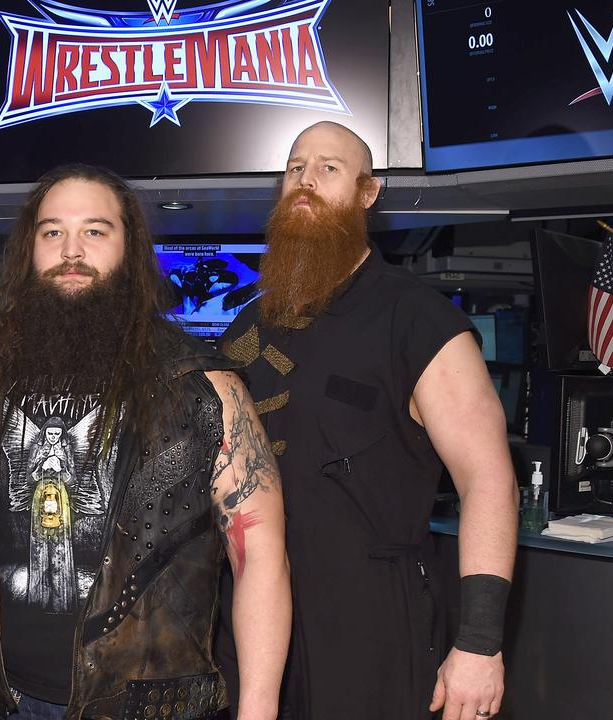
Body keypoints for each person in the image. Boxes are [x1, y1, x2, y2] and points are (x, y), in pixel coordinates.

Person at [0, 164, 291, 720]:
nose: (72, 250)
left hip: (151, 705)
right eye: (52, 232)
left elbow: (260, 556)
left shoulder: (200, 385)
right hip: (7, 699)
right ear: (29, 251)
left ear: (130, 249)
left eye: (95, 231)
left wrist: (258, 711)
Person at [215, 121, 519, 720]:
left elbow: (489, 481)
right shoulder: (243, 331)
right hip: (248, 629)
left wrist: (480, 643)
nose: (305, 181)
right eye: (295, 167)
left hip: (373, 629)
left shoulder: (418, 320)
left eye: (329, 169)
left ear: (367, 193)